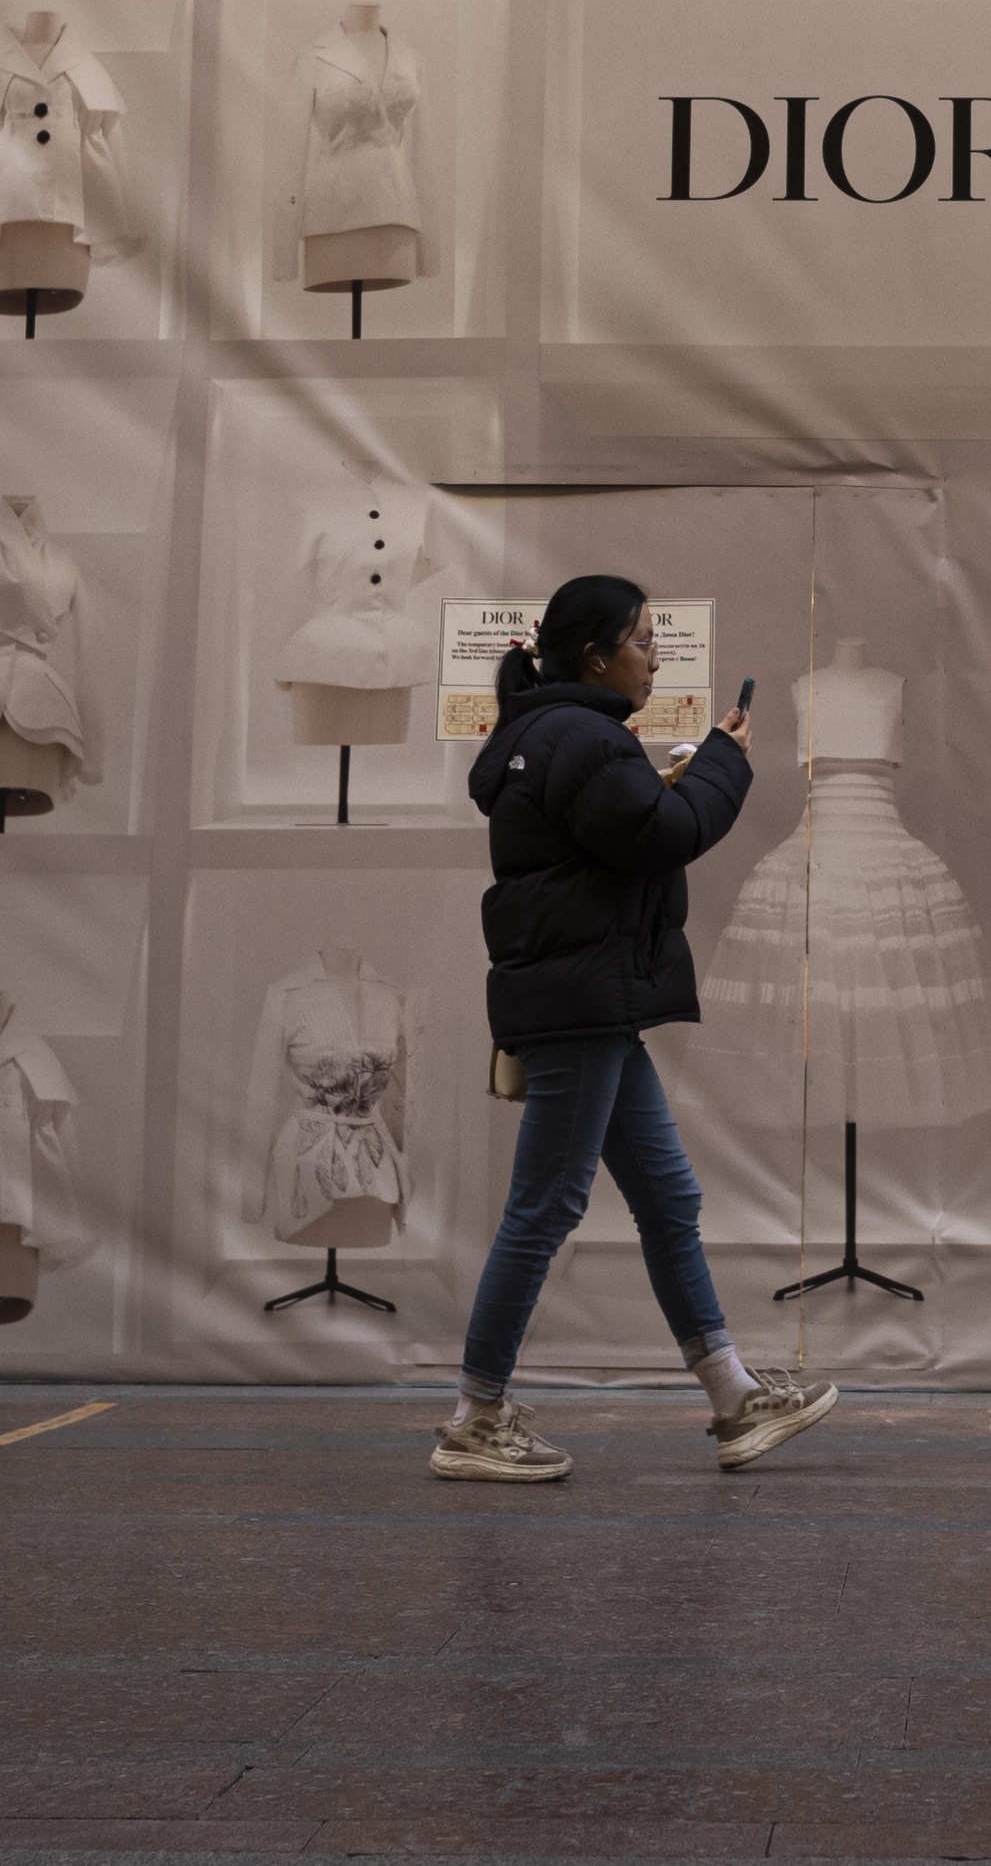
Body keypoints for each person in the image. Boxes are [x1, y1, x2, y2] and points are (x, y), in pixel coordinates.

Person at [435, 573, 838, 1485]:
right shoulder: (584, 738)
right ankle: (474, 1418)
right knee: (545, 1207)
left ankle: (733, 1399)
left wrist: (675, 779)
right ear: (594, 657)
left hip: (596, 1001)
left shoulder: (554, 736)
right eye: (646, 641)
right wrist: (726, 761)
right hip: (583, 1003)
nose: (657, 658)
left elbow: (621, 833)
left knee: (667, 1199)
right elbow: (665, 834)